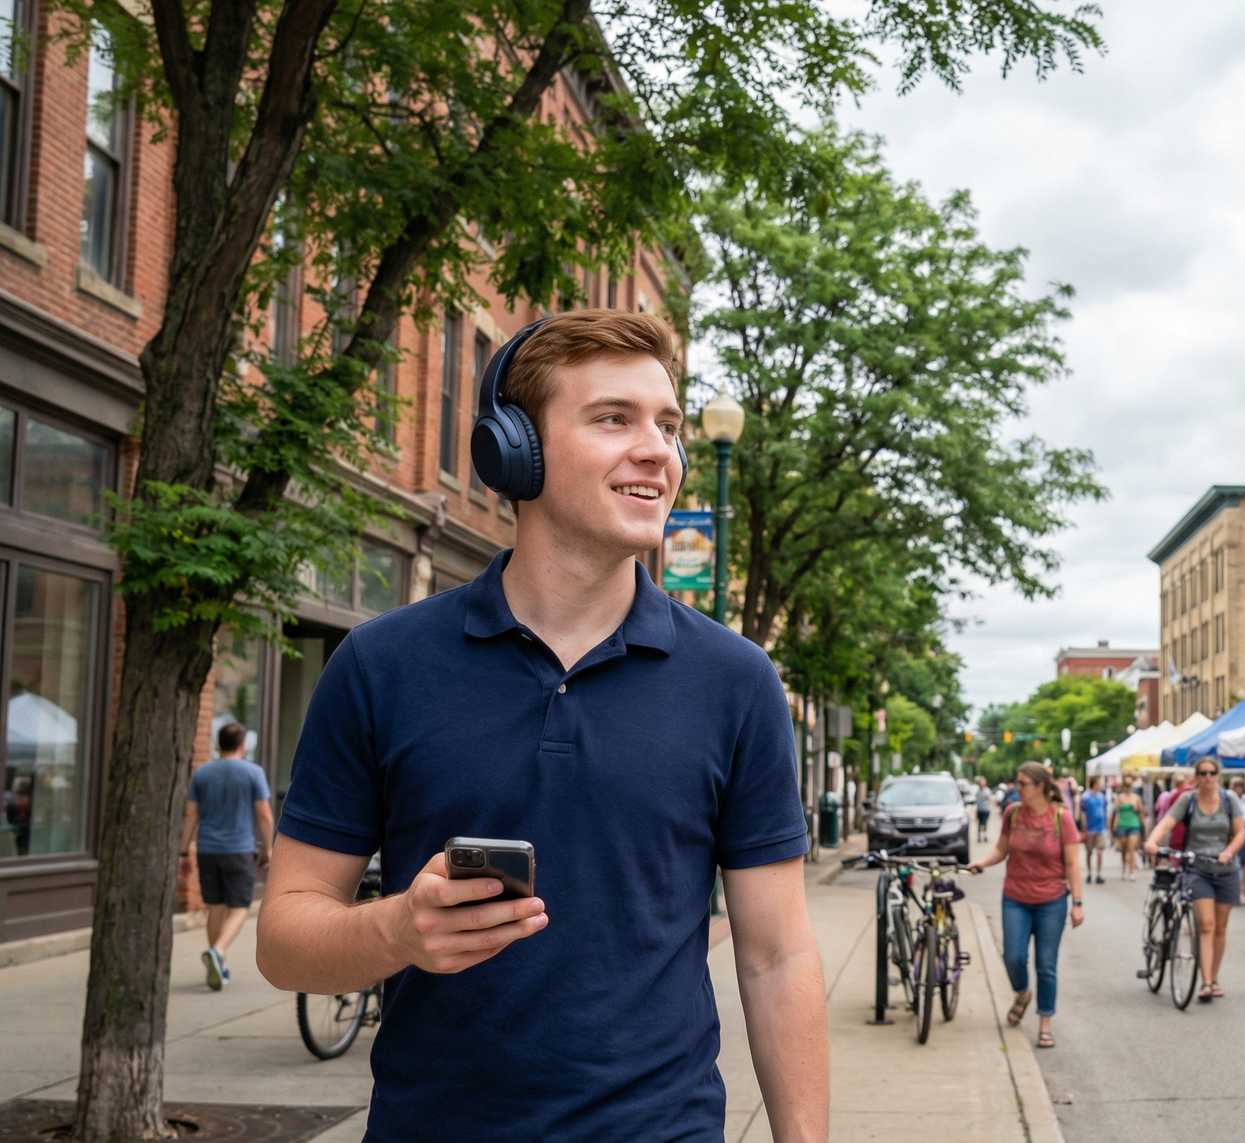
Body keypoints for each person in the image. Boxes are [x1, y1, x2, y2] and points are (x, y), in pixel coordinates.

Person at [256, 312, 825, 1140]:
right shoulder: (381, 665)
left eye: (667, 426)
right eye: (614, 419)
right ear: (514, 451)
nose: (658, 451)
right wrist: (396, 929)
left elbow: (777, 955)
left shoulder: (736, 681)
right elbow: (283, 937)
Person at [970, 762, 1083, 1049]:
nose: (1017, 788)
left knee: (1046, 964)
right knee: (1013, 957)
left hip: (1052, 901)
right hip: (1015, 898)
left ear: (1040, 786)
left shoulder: (1061, 818)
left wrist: (1077, 903)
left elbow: (1072, 863)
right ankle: (1022, 992)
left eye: (1023, 784)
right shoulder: (1013, 813)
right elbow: (1001, 849)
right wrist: (982, 862)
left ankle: (1045, 1023)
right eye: (1018, 782)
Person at [180, 722, 274, 990]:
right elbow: (264, 815)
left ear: (219, 744)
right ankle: (218, 951)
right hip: (238, 849)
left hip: (207, 849)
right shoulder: (253, 772)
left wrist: (183, 850)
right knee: (241, 906)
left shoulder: (202, 773)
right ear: (242, 745)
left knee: (216, 906)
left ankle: (218, 965)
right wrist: (268, 848)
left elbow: (191, 814)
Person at [1145, 759, 1245, 1002]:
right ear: (1196, 776)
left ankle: (1213, 977)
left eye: (1212, 773)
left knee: (1220, 927)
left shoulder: (1229, 800)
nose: (1207, 777)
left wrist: (1229, 851)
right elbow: (1166, 823)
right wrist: (1152, 841)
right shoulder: (1188, 800)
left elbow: (1240, 832)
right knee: (1206, 924)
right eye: (1202, 773)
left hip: (1226, 869)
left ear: (1218, 775)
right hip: (1197, 868)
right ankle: (1206, 983)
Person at [1079, 776, 1110, 884]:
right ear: (1094, 783)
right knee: (1089, 852)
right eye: (1099, 783)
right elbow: (1082, 813)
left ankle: (1098, 874)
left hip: (1101, 828)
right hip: (1090, 828)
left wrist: (1107, 825)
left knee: (1100, 851)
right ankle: (1089, 873)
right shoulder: (1085, 797)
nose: (1101, 785)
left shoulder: (1102, 796)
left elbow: (1105, 811)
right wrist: (1084, 827)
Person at [1113, 779, 1146, 880]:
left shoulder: (1136, 798)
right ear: (1123, 787)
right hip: (1122, 824)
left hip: (1134, 824)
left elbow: (1141, 811)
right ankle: (1124, 869)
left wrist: (1142, 823)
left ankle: (1132, 871)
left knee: (1131, 848)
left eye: (1129, 786)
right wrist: (1115, 825)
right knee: (1124, 849)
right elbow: (1117, 813)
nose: (1128, 788)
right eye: (1126, 786)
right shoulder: (1119, 798)